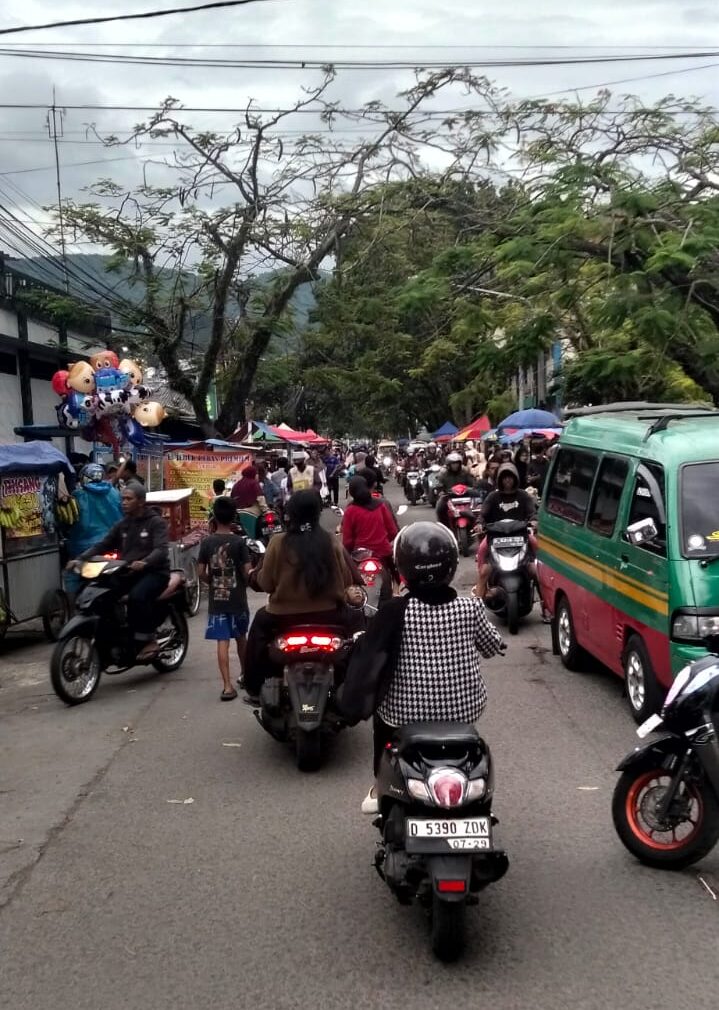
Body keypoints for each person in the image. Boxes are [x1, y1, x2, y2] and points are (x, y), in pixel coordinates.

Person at [338, 522, 505, 813]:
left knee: (381, 719)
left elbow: (371, 657)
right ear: (452, 565)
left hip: (403, 714)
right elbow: (492, 647)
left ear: (404, 569)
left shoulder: (394, 611)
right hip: (462, 710)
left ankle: (381, 785)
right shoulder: (469, 608)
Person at [243, 490, 356, 700]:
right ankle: (361, 684)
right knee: (359, 633)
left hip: (282, 618)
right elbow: (347, 580)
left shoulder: (277, 542)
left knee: (257, 633)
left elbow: (266, 583)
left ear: (290, 513)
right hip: (330, 616)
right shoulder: (331, 541)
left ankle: (254, 687)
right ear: (317, 513)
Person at [71, 481, 170, 659]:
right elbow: (103, 544)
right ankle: (111, 638)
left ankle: (148, 640)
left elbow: (161, 549)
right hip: (128, 572)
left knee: (137, 597)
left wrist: (145, 562)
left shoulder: (156, 523)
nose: (123, 502)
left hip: (155, 572)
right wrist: (80, 558)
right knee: (101, 595)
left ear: (140, 501)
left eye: (128, 499)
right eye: (122, 499)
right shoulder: (123, 524)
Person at [474, 463, 549, 620]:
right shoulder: (493, 497)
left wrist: (534, 521)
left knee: (536, 569)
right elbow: (483, 514)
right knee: (483, 570)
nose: (508, 481)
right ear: (499, 479)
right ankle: (476, 612)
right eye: (504, 478)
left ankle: (546, 607)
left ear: (516, 479)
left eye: (510, 478)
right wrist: (480, 524)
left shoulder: (523, 496)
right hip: (495, 538)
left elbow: (532, 512)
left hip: (521, 536)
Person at [198, 497, 252, 701]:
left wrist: (211, 581)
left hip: (217, 600)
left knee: (222, 641)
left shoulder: (207, 542)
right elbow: (247, 572)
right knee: (241, 639)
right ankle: (246, 676)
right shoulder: (239, 542)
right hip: (237, 600)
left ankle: (227, 686)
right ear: (233, 517)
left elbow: (201, 571)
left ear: (214, 516)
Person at [64, 463, 123, 602]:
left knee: (71, 575)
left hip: (83, 546)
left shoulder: (78, 495)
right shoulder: (114, 493)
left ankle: (72, 611)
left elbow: (72, 522)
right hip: (114, 544)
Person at [342, 476, 398, 571]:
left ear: (351, 492)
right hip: (383, 552)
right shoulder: (380, 506)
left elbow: (347, 541)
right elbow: (392, 531)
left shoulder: (350, 511)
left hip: (360, 556)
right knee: (397, 576)